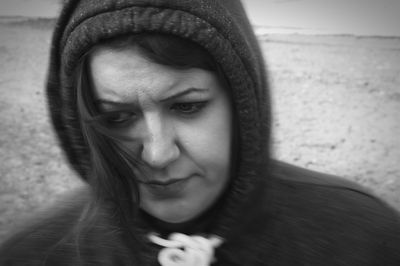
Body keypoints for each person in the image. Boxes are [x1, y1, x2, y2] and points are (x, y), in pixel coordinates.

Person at [1, 0, 400, 265]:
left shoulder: (363, 239)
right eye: (118, 118)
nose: (158, 155)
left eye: (187, 106)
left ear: (244, 103)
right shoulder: (34, 254)